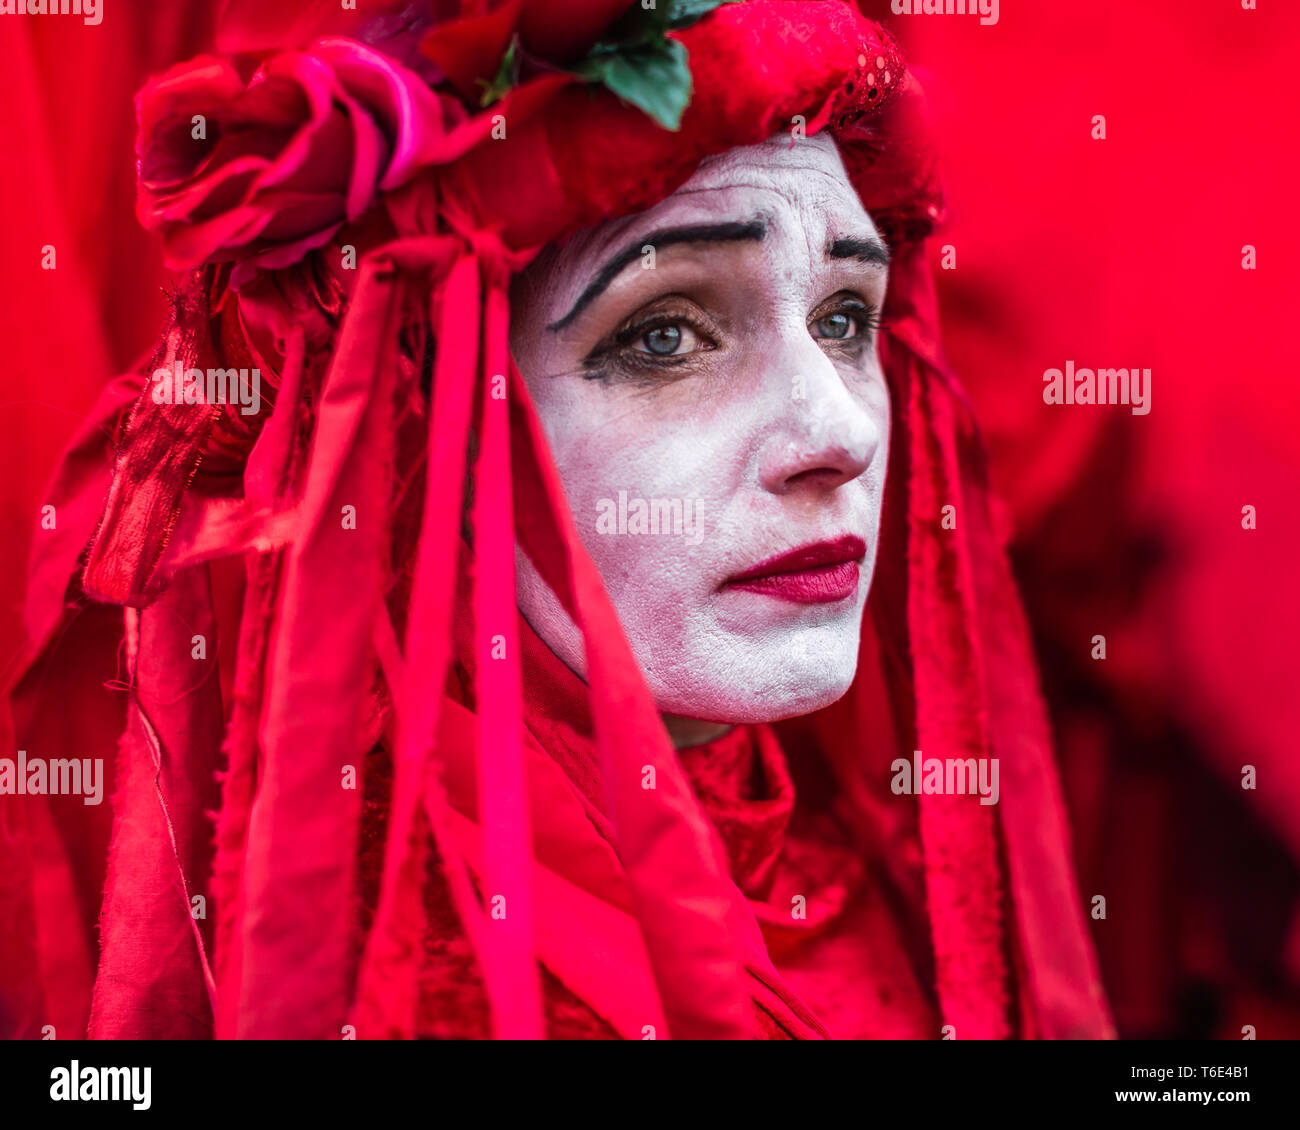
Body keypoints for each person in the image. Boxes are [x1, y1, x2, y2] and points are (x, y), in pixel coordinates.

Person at [1, 0, 1112, 1040]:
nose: (839, 432)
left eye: (843, 315)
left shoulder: (852, 859)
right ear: (427, 420)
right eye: (666, 333)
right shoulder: (423, 984)